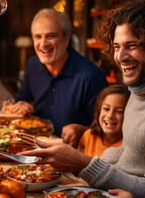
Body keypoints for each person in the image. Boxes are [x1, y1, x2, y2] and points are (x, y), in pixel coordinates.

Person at [20, 0, 145, 198]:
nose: (121, 57)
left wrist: (83, 163)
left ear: (67, 39)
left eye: (131, 46)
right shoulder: (136, 92)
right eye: (116, 47)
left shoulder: (90, 75)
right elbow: (129, 154)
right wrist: (84, 160)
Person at [7, 8, 108, 147]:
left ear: (66, 38)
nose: (43, 44)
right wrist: (21, 105)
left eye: (51, 36)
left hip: (76, 154)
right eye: (38, 36)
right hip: (34, 147)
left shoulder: (90, 76)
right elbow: (23, 98)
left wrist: (83, 130)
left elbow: (108, 130)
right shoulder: (33, 64)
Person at [77, 84, 130, 157]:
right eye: (106, 109)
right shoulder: (89, 136)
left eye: (119, 111)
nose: (110, 116)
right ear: (99, 110)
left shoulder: (129, 147)